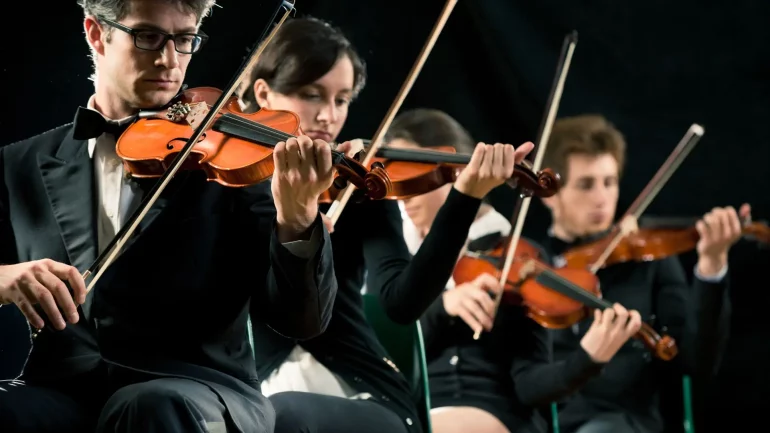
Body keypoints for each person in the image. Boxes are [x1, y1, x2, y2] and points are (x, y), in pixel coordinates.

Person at [0, 1, 339, 432]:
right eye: (148, 36)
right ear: (96, 33)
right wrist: (4, 278)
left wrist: (297, 217)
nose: (169, 60)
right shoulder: (19, 164)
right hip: (64, 388)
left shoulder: (229, 154)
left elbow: (301, 320)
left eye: (184, 39)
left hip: (197, 388)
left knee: (148, 406)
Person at [236, 17, 535, 433]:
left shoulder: (360, 190)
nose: (328, 116)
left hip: (359, 392)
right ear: (263, 93)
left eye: (342, 99)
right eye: (311, 95)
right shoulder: (228, 187)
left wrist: (466, 196)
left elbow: (402, 303)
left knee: (281, 417)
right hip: (253, 385)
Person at [390, 108, 646, 433]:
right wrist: (444, 306)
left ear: (458, 174)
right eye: (397, 177)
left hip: (491, 413)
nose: (405, 192)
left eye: (416, 176)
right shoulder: (395, 259)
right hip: (410, 410)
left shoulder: (517, 258)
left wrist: (586, 360)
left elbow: (529, 386)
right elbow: (381, 354)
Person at [538, 114, 743, 433]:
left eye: (609, 182)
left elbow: (695, 359)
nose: (602, 198)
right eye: (586, 185)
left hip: (622, 421)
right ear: (550, 193)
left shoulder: (648, 260)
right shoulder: (532, 263)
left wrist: (711, 267)